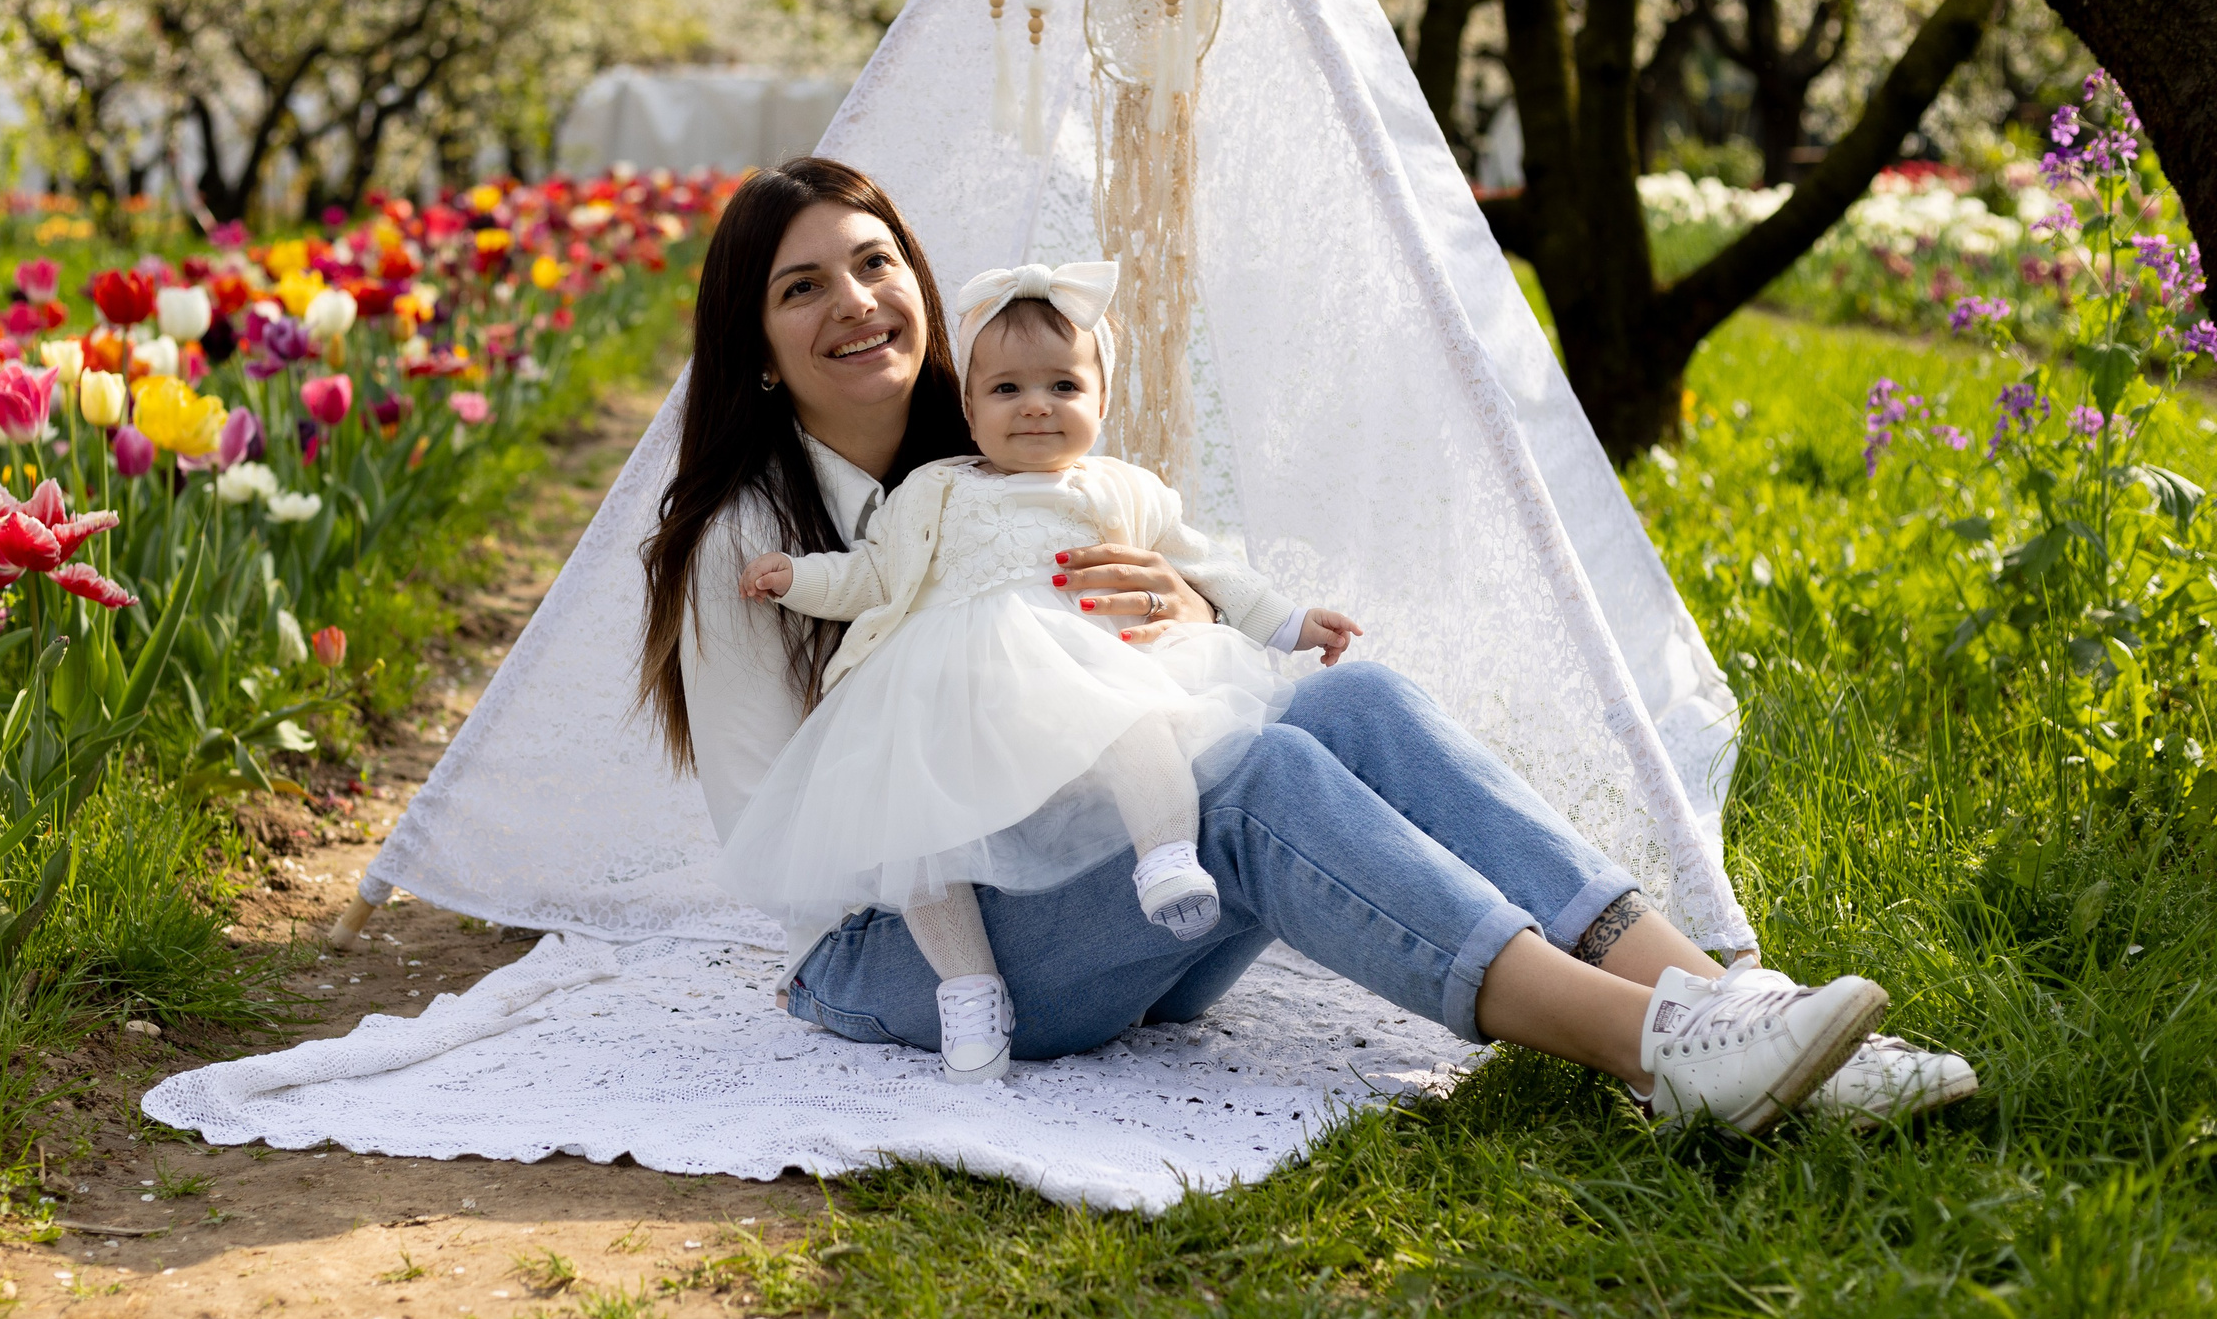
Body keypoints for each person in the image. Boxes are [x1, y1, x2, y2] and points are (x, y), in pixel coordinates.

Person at [639, 157, 1974, 1135]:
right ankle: (1656, 1051)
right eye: (802, 286)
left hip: (1108, 875)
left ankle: (1733, 1010)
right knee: (1253, 786)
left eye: (876, 263)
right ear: (756, 346)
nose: (856, 301)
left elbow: (1132, 654)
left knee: (1354, 704)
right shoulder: (741, 544)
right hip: (914, 950)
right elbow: (802, 851)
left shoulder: (999, 453)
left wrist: (1173, 615)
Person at [731, 257, 1363, 1081]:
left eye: (1064, 386)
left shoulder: (1122, 488)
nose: (1036, 404)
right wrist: (799, 578)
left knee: (1138, 725)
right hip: (952, 702)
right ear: (969, 409)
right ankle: (968, 989)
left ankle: (1166, 855)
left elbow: (1206, 564)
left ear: (1101, 402)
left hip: (1081, 674)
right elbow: (873, 575)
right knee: (919, 834)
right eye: (1007, 389)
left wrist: (1288, 622)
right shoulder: (934, 490)